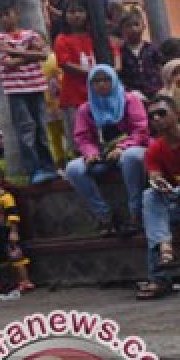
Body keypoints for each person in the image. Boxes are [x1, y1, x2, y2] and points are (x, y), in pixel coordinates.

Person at [63, 65, 149, 235]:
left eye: (106, 79)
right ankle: (105, 217)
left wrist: (122, 148)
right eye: (96, 81)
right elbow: (83, 138)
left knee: (131, 157)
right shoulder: (86, 109)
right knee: (73, 169)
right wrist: (90, 153)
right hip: (102, 155)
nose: (101, 84)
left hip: (132, 148)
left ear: (114, 80)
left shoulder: (130, 100)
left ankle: (135, 214)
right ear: (90, 85)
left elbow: (141, 131)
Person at [0, 0, 59, 184]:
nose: (5, 19)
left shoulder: (30, 34)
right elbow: (7, 62)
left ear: (17, 13)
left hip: (36, 86)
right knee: (26, 129)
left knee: (41, 128)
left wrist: (16, 53)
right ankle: (34, 170)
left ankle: (49, 166)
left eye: (8, 14)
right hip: (16, 90)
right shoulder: (0, 38)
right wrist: (30, 55)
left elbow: (44, 54)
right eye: (1, 16)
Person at [54, 0, 120, 152]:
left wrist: (115, 69)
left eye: (80, 11)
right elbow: (65, 64)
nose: (76, 15)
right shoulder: (62, 39)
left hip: (102, 93)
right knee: (80, 137)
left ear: (87, 14)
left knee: (106, 136)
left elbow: (114, 52)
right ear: (65, 15)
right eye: (71, 12)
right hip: (74, 95)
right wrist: (96, 74)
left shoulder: (97, 36)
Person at [138, 95, 180, 299]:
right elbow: (154, 177)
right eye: (151, 116)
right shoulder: (154, 149)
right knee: (150, 195)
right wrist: (158, 182)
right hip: (173, 203)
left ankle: (158, 277)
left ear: (177, 114)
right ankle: (164, 247)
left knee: (156, 215)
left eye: (161, 113)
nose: (156, 118)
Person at [0, 166, 33, 293]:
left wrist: (14, 231)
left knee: (16, 256)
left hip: (7, 231)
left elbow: (13, 215)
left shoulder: (6, 197)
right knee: (2, 259)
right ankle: (9, 282)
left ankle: (25, 281)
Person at [117, 9, 163, 99]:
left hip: (157, 92)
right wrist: (128, 91)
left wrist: (162, 89)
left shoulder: (153, 48)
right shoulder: (120, 52)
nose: (133, 28)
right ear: (122, 29)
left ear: (143, 26)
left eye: (136, 24)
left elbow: (161, 69)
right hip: (132, 95)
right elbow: (118, 76)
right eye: (128, 26)